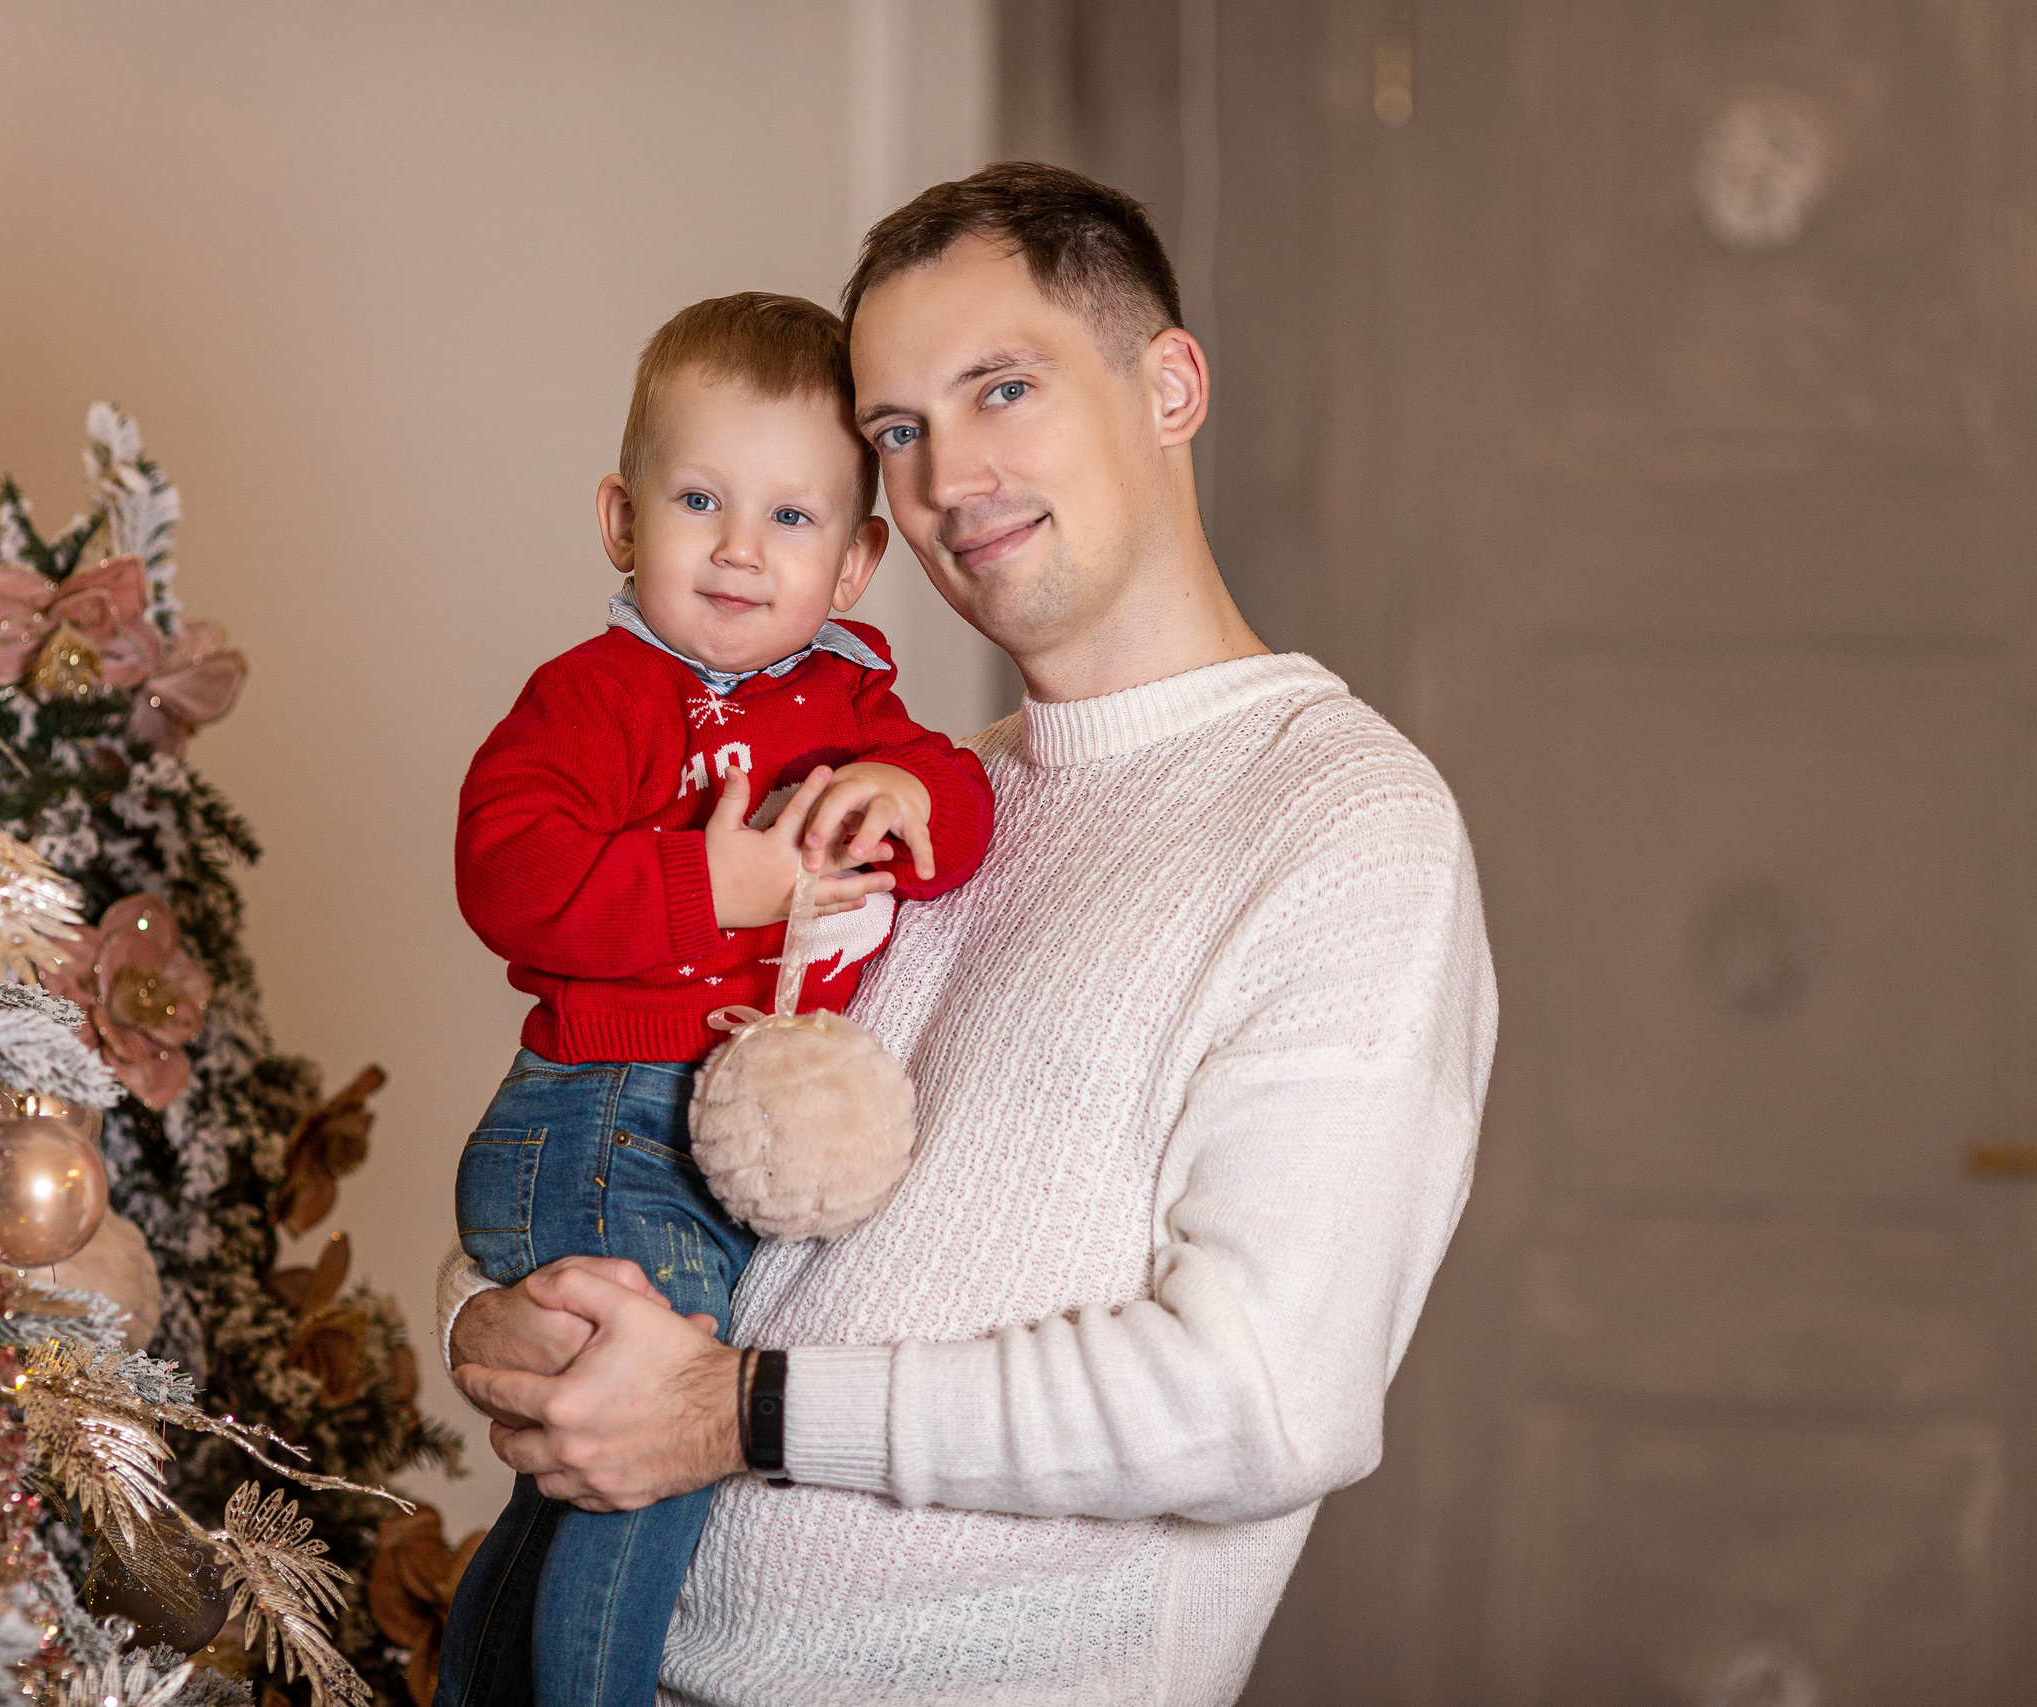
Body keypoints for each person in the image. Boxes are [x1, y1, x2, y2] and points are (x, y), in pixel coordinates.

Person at [441, 163, 1497, 1707]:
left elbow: (1264, 1401)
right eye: (897, 431)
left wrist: (739, 1413)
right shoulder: (914, 796)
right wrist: (492, 1316)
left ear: (1172, 384)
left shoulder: (1344, 824)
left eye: (1004, 388)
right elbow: (646, 1120)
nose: (949, 477)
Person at [444, 291, 996, 1707]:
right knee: (653, 1457)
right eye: (701, 501)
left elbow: (962, 808)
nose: (743, 551)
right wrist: (717, 889)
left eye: (794, 519)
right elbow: (507, 873)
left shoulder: (850, 705)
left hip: (693, 1139)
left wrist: (907, 791)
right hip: (599, 1122)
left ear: (860, 559)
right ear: (624, 523)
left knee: (568, 1489)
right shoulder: (596, 697)